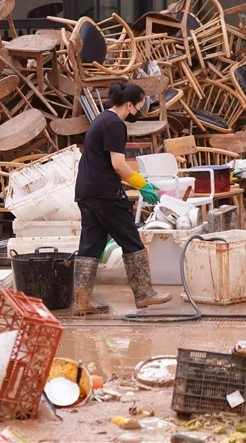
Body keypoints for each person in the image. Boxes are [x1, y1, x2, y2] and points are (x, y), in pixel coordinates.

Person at [73, 82, 173, 316]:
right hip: (105, 193)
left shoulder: (100, 119)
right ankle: (144, 294)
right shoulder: (115, 124)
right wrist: (143, 184)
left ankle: (82, 301)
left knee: (91, 244)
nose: (138, 112)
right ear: (129, 105)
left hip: (86, 191)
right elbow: (118, 165)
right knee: (131, 240)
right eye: (139, 107)